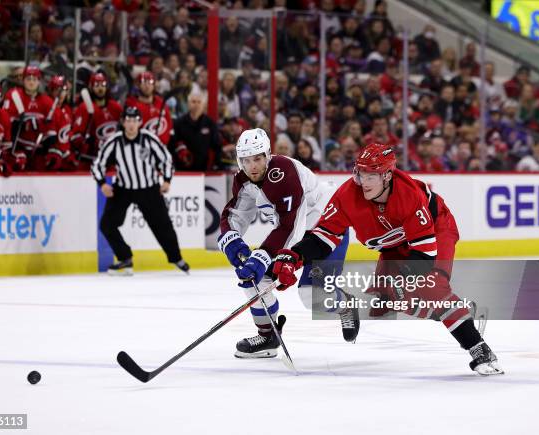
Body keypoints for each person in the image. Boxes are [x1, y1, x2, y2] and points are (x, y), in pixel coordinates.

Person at [272, 142, 504, 376]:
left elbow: (424, 254)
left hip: (436, 230)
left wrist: (403, 280)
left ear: (387, 175)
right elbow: (324, 237)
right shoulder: (346, 196)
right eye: (360, 173)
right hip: (395, 245)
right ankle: (459, 313)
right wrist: (295, 256)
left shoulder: (409, 195)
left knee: (432, 288)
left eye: (371, 175)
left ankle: (480, 349)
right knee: (385, 301)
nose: (363, 182)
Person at [217, 128, 358, 359]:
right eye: (246, 160)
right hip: (296, 234)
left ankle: (345, 304)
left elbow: (290, 225)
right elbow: (235, 216)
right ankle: (268, 335)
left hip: (326, 232)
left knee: (311, 296)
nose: (252, 166)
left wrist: (262, 256)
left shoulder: (283, 171)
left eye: (257, 158)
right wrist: (234, 244)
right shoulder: (242, 179)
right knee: (253, 277)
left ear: (268, 155)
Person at [92, 106, 190, 276]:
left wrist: (167, 180)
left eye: (134, 120)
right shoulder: (114, 141)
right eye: (128, 120)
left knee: (163, 225)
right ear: (123, 122)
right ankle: (125, 258)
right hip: (123, 189)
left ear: (140, 122)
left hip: (149, 188)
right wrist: (102, 184)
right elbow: (97, 164)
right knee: (107, 224)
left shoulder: (149, 139)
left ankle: (176, 258)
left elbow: (166, 160)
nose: (131, 124)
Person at [70, 72, 123, 170]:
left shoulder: (115, 107)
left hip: (110, 160)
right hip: (89, 160)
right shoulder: (84, 108)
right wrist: (86, 141)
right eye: (96, 85)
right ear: (91, 87)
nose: (100, 88)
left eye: (103, 84)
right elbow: (74, 136)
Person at [169, 92, 221, 170]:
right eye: (193, 102)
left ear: (204, 105)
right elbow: (171, 144)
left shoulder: (210, 124)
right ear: (188, 104)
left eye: (199, 102)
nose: (196, 105)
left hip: (203, 171)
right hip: (182, 171)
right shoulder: (178, 123)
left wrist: (216, 165)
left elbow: (217, 146)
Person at [125, 71, 173, 144]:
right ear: (138, 85)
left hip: (161, 147)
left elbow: (169, 125)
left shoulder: (161, 103)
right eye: (144, 82)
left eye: (150, 82)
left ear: (154, 85)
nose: (147, 86)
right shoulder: (131, 105)